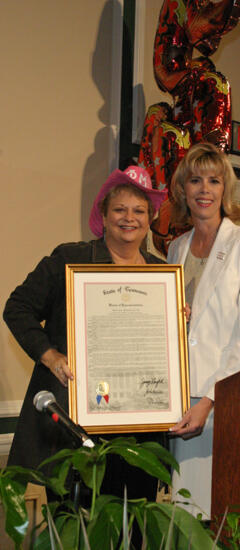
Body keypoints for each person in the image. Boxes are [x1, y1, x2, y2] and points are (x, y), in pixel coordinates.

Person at [3, 165, 167, 503]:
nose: (129, 218)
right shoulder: (70, 258)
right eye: (119, 209)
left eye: (139, 211)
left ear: (149, 219)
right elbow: (17, 308)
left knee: (135, 528)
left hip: (140, 428)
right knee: (75, 527)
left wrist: (179, 318)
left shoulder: (162, 273)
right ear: (103, 215)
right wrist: (50, 355)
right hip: (75, 425)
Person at [167, 142, 240, 518]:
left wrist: (209, 398)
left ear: (224, 188)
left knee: (217, 516)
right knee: (182, 516)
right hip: (178, 402)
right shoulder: (175, 249)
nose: (204, 190)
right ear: (183, 189)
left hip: (223, 402)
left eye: (213, 180)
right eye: (195, 180)